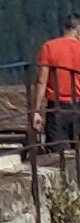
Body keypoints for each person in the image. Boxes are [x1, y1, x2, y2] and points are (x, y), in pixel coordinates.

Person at [30, 25, 80, 153]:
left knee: (57, 154)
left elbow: (41, 81)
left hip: (58, 107)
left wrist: (36, 111)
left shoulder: (49, 47)